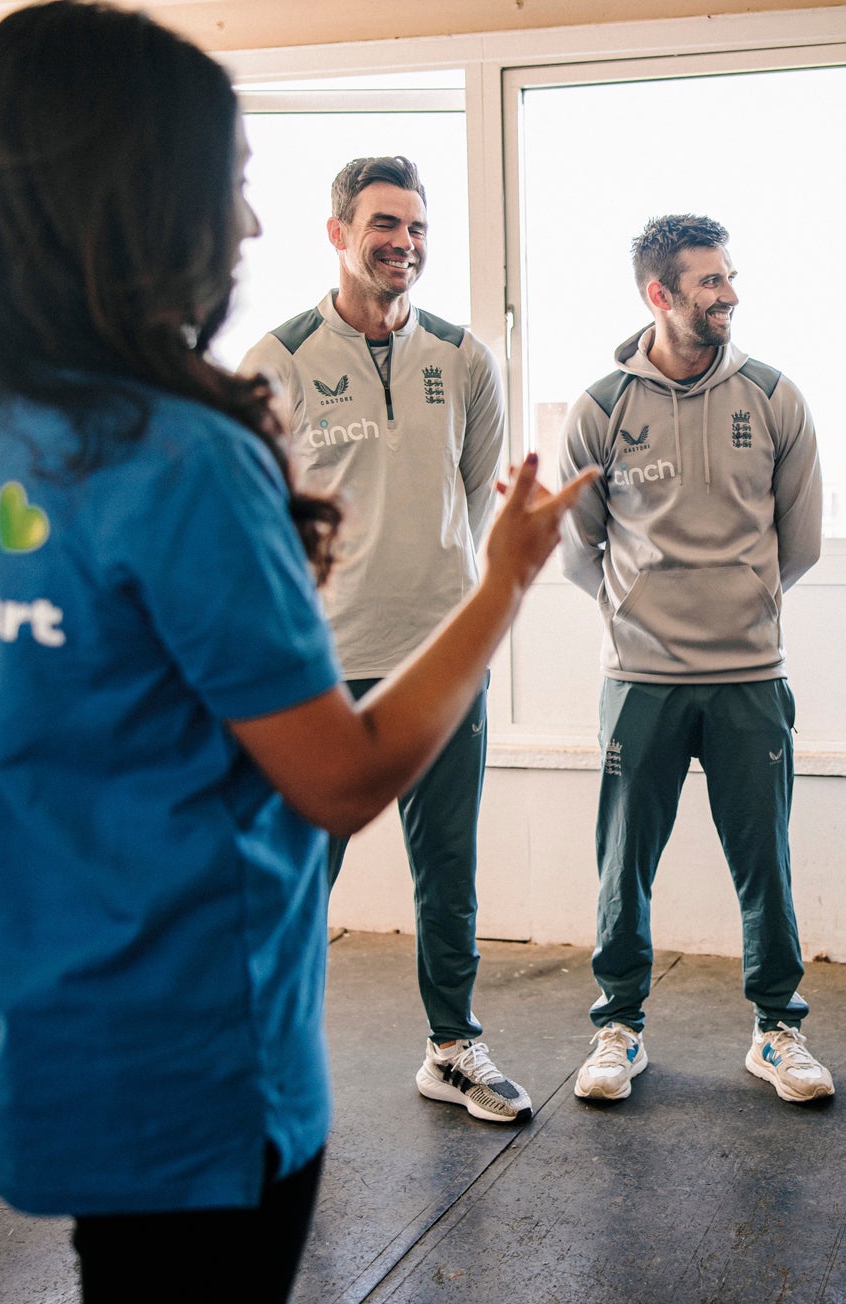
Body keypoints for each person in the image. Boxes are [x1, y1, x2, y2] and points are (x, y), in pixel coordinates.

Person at [0, 4, 594, 1304]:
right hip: (189, 1052)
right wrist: (506, 577)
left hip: (38, 1028)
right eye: (233, 181)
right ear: (138, 196)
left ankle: (458, 1034)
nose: (251, 223)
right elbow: (337, 777)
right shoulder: (175, 451)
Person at [240, 156, 530, 1125]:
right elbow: (250, 523)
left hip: (441, 660)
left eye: (415, 228)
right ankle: (260, 1060)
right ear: (336, 233)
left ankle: (451, 1046)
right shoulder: (274, 360)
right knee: (292, 877)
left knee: (447, 867)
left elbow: (475, 497)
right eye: (382, 225)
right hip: (318, 666)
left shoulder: (463, 358)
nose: (401, 243)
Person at [555, 214, 830, 1105]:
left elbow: (802, 542)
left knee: (766, 864)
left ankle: (778, 1030)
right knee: (623, 864)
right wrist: (641, 617)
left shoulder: (776, 396)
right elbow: (577, 550)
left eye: (730, 278)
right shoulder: (601, 407)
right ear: (659, 294)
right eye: (709, 282)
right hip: (640, 680)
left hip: (752, 676)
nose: (730, 295)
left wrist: (742, 605)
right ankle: (618, 1028)